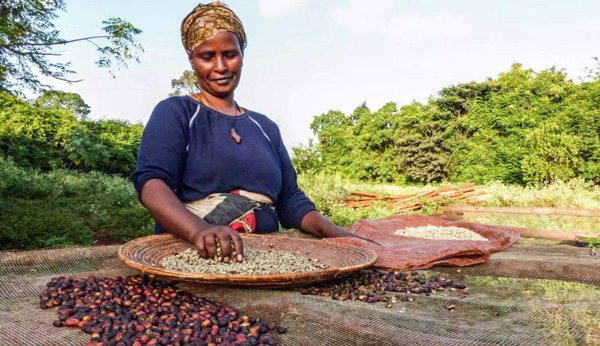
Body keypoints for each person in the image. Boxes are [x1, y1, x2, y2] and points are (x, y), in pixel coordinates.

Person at [131, 1, 366, 263]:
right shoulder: (177, 113)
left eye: (230, 54)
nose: (220, 66)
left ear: (242, 54)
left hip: (264, 261)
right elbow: (152, 184)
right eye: (207, 57)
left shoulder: (265, 128)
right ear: (192, 60)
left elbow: (290, 200)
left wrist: (338, 234)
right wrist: (199, 231)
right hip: (193, 257)